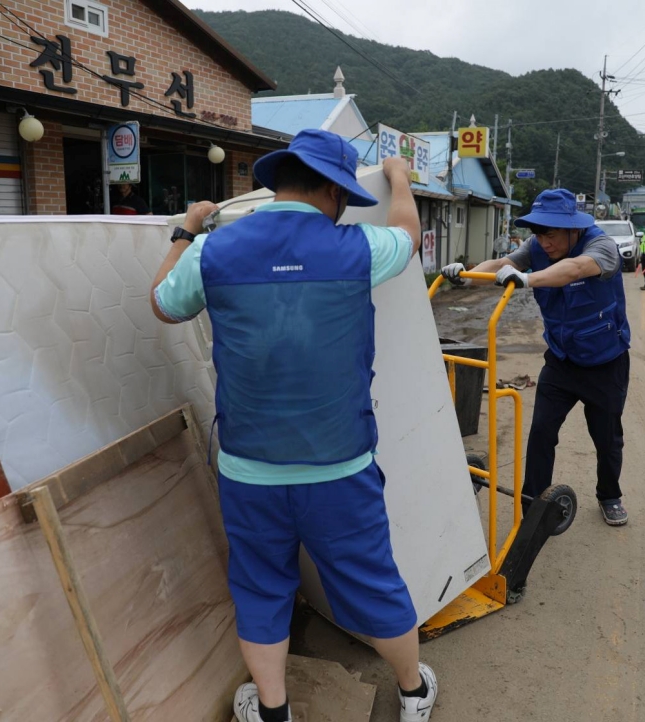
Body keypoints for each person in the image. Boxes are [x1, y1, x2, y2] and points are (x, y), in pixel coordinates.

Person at [148, 129, 436, 722]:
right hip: (341, 468)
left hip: (249, 470)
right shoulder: (356, 248)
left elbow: (162, 303)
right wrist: (400, 177)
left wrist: (186, 231)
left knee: (260, 590)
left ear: (277, 184)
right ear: (333, 191)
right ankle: (412, 692)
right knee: (372, 582)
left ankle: (274, 711)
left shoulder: (214, 250)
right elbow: (410, 237)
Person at [440, 188, 631, 526]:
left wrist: (526, 279)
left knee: (606, 438)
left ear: (573, 228)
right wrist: (466, 277)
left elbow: (574, 269)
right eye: (538, 233)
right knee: (542, 431)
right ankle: (534, 504)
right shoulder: (537, 247)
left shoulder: (601, 247)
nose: (544, 241)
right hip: (561, 360)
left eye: (551, 233)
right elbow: (501, 264)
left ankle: (609, 495)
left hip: (606, 363)